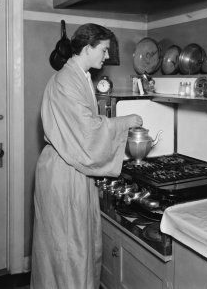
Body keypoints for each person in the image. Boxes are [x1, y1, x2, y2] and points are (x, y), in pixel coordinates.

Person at [30, 23, 143, 289]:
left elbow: (84, 123)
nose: (106, 56)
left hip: (71, 167)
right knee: (68, 248)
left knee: (72, 246)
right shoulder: (66, 80)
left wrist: (110, 125)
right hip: (64, 172)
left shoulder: (79, 76)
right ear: (88, 46)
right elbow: (86, 131)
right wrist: (124, 122)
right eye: (104, 50)